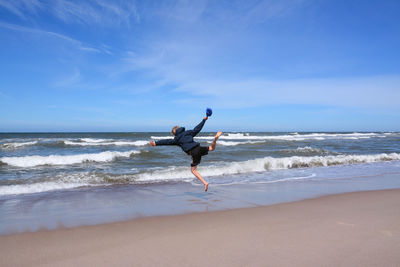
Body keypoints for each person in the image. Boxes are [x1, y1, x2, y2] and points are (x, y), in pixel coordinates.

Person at [149, 115, 222, 192]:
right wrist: (203, 120)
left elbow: (167, 141)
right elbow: (197, 129)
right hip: (198, 147)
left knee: (193, 170)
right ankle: (215, 139)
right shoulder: (188, 133)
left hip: (193, 152)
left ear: (174, 134)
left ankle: (205, 183)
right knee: (211, 148)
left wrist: (156, 143)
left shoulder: (176, 139)